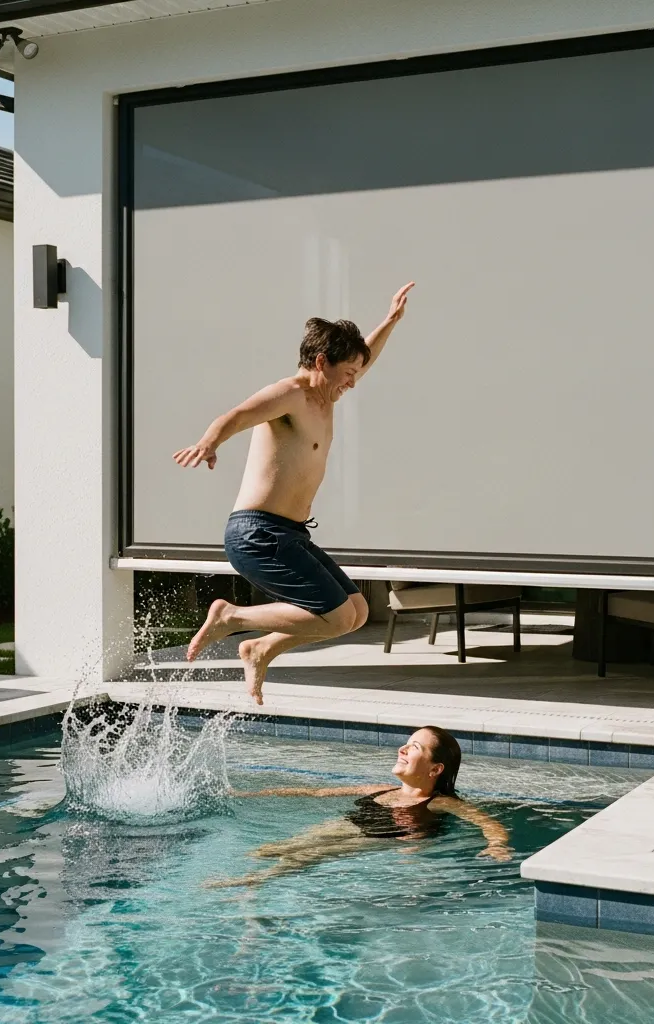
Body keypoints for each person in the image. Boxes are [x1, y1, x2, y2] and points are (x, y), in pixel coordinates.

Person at [173, 282, 416, 705]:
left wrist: (389, 322)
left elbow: (365, 359)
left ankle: (261, 647)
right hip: (258, 533)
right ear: (321, 362)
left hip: (289, 532)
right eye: (347, 375)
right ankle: (231, 617)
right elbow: (237, 414)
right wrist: (209, 442)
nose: (352, 384)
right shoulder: (292, 394)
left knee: (355, 613)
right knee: (336, 614)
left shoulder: (326, 398)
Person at [207, 726, 513, 888]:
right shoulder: (380, 789)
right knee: (274, 848)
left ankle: (252, 882)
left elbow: (486, 822)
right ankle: (245, 876)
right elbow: (317, 793)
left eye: (414, 748)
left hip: (387, 835)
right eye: (407, 743)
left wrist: (497, 845)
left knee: (307, 855)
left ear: (435, 770)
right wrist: (258, 794)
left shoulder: (440, 802)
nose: (402, 748)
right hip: (356, 823)